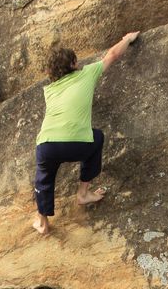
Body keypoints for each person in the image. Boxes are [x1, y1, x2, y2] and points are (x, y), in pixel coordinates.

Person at [32, 31, 140, 235]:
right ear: (73, 64)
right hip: (77, 144)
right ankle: (83, 194)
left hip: (47, 144)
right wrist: (127, 39)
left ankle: (42, 221)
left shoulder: (50, 90)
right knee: (96, 137)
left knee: (43, 177)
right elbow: (112, 55)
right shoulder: (87, 73)